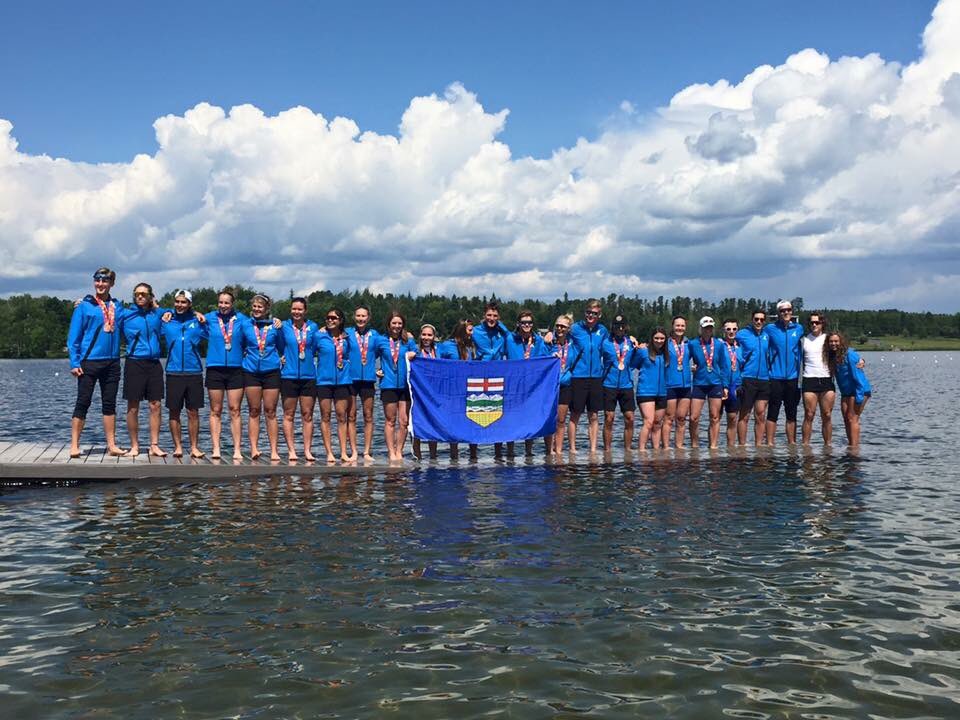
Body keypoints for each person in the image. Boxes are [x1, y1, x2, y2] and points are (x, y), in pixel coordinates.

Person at [67, 267, 126, 458]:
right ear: (94, 282)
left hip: (112, 362)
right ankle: (74, 445)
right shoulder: (84, 306)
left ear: (112, 283)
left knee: (109, 404)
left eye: (105, 281)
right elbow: (73, 337)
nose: (101, 284)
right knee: (83, 402)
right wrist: (75, 362)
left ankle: (112, 445)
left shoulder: (118, 306)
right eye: (97, 280)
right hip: (89, 362)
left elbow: (139, 314)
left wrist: (164, 312)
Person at [119, 282, 166, 457]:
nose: (140, 296)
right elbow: (104, 312)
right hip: (134, 362)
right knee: (133, 406)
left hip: (153, 363)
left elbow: (180, 312)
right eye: (137, 294)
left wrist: (197, 314)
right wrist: (82, 304)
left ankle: (154, 445)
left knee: (156, 405)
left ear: (150, 297)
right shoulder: (126, 314)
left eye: (144, 294)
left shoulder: (157, 314)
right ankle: (134, 445)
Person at [160, 290, 209, 459]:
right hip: (173, 371)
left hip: (194, 371)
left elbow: (214, 329)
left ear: (189, 304)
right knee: (174, 411)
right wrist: (164, 312)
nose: (180, 305)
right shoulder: (167, 321)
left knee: (193, 411)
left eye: (183, 302)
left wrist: (201, 316)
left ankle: (194, 447)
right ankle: (178, 447)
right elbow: (152, 314)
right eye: (177, 302)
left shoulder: (197, 321)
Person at [204, 288, 247, 460]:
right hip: (215, 368)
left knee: (235, 409)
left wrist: (276, 322)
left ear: (232, 303)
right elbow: (186, 313)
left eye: (226, 303)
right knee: (216, 409)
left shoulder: (242, 320)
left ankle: (237, 448)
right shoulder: (208, 318)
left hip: (236, 369)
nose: (223, 306)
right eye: (220, 302)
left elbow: (258, 328)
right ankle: (216, 448)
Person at [241, 294, 284, 461]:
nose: (256, 310)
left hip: (271, 370)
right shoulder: (245, 325)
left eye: (260, 307)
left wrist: (282, 357)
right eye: (254, 307)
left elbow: (282, 346)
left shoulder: (275, 326)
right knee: (253, 410)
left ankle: (274, 450)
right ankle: (254, 448)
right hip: (251, 370)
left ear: (267, 309)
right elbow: (240, 344)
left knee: (271, 411)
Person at [505, 309, 552, 456]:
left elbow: (546, 357)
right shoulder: (510, 339)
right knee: (511, 418)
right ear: (518, 324)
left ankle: (528, 452)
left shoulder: (538, 340)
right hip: (513, 384)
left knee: (529, 419)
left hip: (532, 386)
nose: (526, 325)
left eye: (529, 322)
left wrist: (553, 351)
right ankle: (510, 451)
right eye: (523, 322)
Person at [279, 297, 319, 462]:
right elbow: (274, 344)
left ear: (305, 311)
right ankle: (291, 451)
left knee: (307, 414)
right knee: (288, 414)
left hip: (309, 376)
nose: (297, 312)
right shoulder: (283, 326)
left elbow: (316, 347)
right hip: (288, 375)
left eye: (300, 309)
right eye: (294, 309)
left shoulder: (313, 327)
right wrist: (280, 356)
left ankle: (307, 451)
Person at [567, 300, 609, 454]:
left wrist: (632, 340)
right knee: (575, 414)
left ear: (599, 315)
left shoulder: (602, 330)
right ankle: (572, 448)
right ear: (585, 313)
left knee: (594, 415)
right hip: (578, 376)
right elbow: (560, 333)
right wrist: (551, 333)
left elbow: (611, 347)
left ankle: (593, 449)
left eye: (595, 313)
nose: (591, 316)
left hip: (596, 377)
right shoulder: (575, 328)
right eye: (588, 313)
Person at [375, 310, 416, 462]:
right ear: (389, 324)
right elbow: (369, 355)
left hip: (405, 385)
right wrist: (377, 370)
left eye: (399, 323)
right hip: (388, 384)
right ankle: (391, 452)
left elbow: (418, 358)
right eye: (394, 323)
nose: (397, 326)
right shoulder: (381, 341)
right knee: (390, 420)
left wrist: (414, 355)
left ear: (403, 325)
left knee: (404, 421)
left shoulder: (408, 342)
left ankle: (399, 451)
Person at [472, 301, 511, 457]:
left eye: (495, 316)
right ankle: (473, 453)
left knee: (498, 414)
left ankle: (498, 453)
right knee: (475, 412)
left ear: (499, 317)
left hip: (498, 376)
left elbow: (512, 339)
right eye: (489, 315)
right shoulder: (475, 331)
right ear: (484, 315)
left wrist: (503, 327)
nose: (491, 318)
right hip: (479, 376)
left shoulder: (502, 332)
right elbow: (458, 340)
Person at [316, 307, 353, 464]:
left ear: (341, 321)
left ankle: (343, 452)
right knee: (325, 416)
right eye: (328, 318)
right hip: (324, 381)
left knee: (341, 416)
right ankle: (329, 453)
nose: (331, 320)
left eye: (334, 318)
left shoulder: (347, 338)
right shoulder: (319, 336)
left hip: (343, 381)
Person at [687, 316, 731, 448]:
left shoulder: (718, 344)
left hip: (715, 383)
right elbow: (683, 359)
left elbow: (723, 366)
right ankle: (695, 445)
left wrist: (725, 386)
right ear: (700, 329)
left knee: (714, 416)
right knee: (693, 417)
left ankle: (713, 446)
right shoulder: (693, 344)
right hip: (699, 383)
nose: (708, 330)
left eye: (710, 328)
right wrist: (691, 367)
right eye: (705, 328)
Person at [438, 319, 478, 461]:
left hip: (469, 390)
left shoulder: (471, 346)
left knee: (472, 422)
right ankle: (453, 456)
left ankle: (473, 455)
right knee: (453, 422)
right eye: (470, 330)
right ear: (462, 330)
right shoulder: (446, 346)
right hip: (452, 390)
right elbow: (435, 363)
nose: (473, 333)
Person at [764, 300, 803, 445]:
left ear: (792, 311)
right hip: (775, 377)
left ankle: (792, 444)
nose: (786, 313)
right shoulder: (770, 329)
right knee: (772, 412)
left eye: (788, 310)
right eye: (783, 311)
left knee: (791, 413)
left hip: (792, 378)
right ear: (778, 313)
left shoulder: (799, 329)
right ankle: (769, 444)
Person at [346, 305, 380, 463]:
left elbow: (388, 348)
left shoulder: (375, 336)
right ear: (354, 317)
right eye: (358, 316)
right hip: (351, 379)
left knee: (368, 416)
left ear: (369, 318)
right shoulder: (347, 333)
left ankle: (366, 451)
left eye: (363, 316)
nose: (361, 319)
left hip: (368, 380)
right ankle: (353, 451)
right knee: (351, 416)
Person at [825, 332, 871, 447]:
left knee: (852, 418)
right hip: (846, 392)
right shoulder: (832, 356)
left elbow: (858, 377)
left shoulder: (849, 354)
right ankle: (851, 444)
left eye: (836, 341)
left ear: (841, 342)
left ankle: (854, 449)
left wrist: (859, 397)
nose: (833, 344)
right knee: (846, 419)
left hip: (859, 390)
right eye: (831, 341)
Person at [600, 314, 636, 452]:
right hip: (609, 384)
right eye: (617, 326)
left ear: (626, 327)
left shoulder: (631, 343)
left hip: (626, 384)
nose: (620, 329)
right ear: (613, 327)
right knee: (609, 418)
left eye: (622, 326)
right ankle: (607, 450)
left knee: (630, 418)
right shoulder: (606, 343)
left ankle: (627, 449)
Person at [736, 309, 771, 446]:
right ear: (752, 320)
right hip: (747, 378)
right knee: (745, 415)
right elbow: (728, 344)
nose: (759, 322)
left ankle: (759, 447)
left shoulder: (767, 335)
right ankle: (742, 447)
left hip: (764, 379)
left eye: (762, 320)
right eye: (756, 319)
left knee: (761, 415)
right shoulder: (742, 334)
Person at [801, 312, 835, 446]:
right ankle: (805, 446)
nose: (814, 325)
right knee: (809, 414)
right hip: (809, 379)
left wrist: (861, 360)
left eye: (817, 322)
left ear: (822, 324)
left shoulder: (828, 339)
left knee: (826, 415)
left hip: (826, 379)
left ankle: (828, 446)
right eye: (812, 323)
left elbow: (843, 350)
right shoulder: (804, 340)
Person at [631, 327, 668, 450]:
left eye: (662, 338)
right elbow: (632, 365)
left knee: (657, 424)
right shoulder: (643, 351)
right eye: (656, 338)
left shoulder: (666, 353)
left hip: (662, 392)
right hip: (645, 391)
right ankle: (641, 450)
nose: (659, 341)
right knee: (648, 422)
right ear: (652, 339)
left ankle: (656, 451)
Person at [408, 323, 440, 460]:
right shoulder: (415, 350)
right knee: (417, 423)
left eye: (429, 335)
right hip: (418, 392)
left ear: (434, 337)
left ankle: (433, 456)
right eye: (424, 334)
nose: (426, 337)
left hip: (434, 393)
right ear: (420, 336)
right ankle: (417, 456)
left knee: (433, 422)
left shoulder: (439, 351)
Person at [663, 316, 692, 448]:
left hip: (685, 386)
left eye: (682, 326)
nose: (679, 328)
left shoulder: (689, 344)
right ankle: (666, 447)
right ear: (672, 326)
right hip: (670, 385)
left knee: (681, 419)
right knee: (669, 418)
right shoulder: (665, 343)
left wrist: (694, 367)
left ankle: (679, 447)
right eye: (677, 325)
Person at [548, 314, 575, 454]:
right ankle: (548, 450)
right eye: (557, 325)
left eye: (563, 326)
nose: (559, 328)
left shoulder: (573, 344)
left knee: (561, 419)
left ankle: (558, 450)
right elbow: (539, 356)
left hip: (565, 384)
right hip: (549, 385)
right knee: (549, 418)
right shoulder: (548, 342)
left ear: (569, 328)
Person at [720, 319, 744, 447]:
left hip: (736, 386)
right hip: (720, 386)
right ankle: (713, 448)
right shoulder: (718, 345)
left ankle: (731, 448)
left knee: (732, 419)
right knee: (715, 419)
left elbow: (745, 366)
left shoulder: (740, 347)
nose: (731, 332)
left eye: (734, 329)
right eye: (728, 329)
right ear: (723, 330)